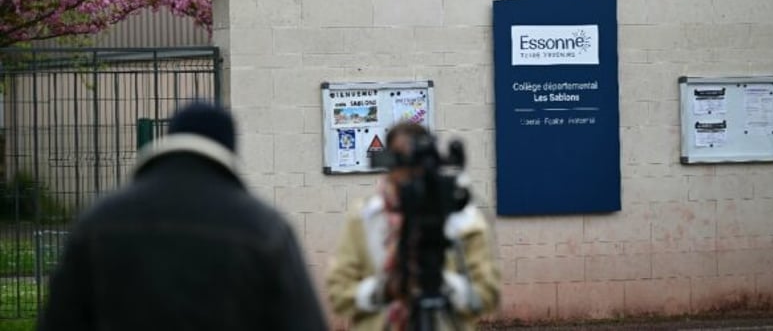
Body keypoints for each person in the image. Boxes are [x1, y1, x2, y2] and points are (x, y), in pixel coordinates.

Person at [38, 101, 327, 331]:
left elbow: (59, 320)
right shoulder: (264, 228)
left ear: (171, 140)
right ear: (229, 151)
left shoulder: (99, 221)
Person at [326, 122, 500, 330]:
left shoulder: (463, 218)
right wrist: (386, 289)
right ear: (388, 163)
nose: (408, 172)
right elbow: (339, 292)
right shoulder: (364, 218)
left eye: (416, 161)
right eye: (401, 160)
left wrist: (439, 285)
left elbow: (487, 294)